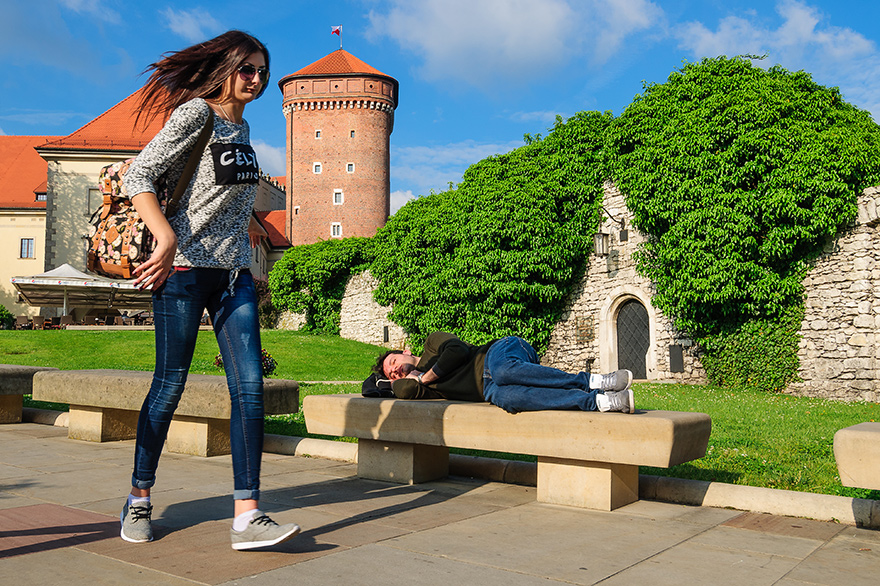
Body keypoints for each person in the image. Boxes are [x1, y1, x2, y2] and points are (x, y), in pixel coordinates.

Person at [118, 30, 300, 551]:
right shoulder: (196, 115)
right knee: (170, 384)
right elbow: (141, 176)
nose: (257, 79)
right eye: (248, 69)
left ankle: (248, 513)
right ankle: (138, 499)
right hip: (183, 272)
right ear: (224, 68)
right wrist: (167, 235)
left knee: (248, 388)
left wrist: (249, 254)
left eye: (263, 71)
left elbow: (230, 206)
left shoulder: (243, 130)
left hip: (233, 276)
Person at [374, 332, 635, 414]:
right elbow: (400, 389)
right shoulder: (418, 388)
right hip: (489, 391)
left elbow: (457, 351)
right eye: (392, 372)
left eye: (394, 360)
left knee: (502, 372)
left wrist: (425, 376)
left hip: (496, 354)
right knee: (509, 399)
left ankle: (594, 380)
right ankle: (600, 401)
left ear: (406, 351)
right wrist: (402, 381)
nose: (396, 369)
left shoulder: (432, 345)